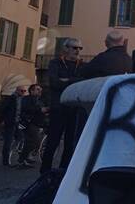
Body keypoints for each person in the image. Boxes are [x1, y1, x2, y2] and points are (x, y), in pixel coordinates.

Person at [40, 38, 84, 174]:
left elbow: (84, 81)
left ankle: (63, 171)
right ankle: (45, 171)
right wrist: (74, 82)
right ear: (66, 48)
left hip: (75, 108)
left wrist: (67, 80)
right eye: (74, 47)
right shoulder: (55, 63)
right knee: (53, 141)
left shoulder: (82, 65)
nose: (77, 51)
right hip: (58, 107)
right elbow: (54, 83)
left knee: (70, 143)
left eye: (79, 48)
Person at [18, 84, 47, 167]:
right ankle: (22, 159)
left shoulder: (40, 100)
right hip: (29, 123)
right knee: (35, 141)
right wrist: (40, 109)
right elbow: (26, 109)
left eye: (40, 90)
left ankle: (24, 159)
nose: (40, 91)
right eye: (38, 89)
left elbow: (41, 111)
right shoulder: (27, 99)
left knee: (31, 142)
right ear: (32, 91)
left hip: (37, 123)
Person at [0, 85, 27, 166]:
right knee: (8, 141)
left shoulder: (22, 100)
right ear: (17, 90)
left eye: (24, 91)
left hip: (18, 122)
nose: (23, 93)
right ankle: (6, 160)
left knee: (21, 137)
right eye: (22, 91)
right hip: (10, 122)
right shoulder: (11, 99)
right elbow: (2, 109)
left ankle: (14, 151)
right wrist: (2, 120)